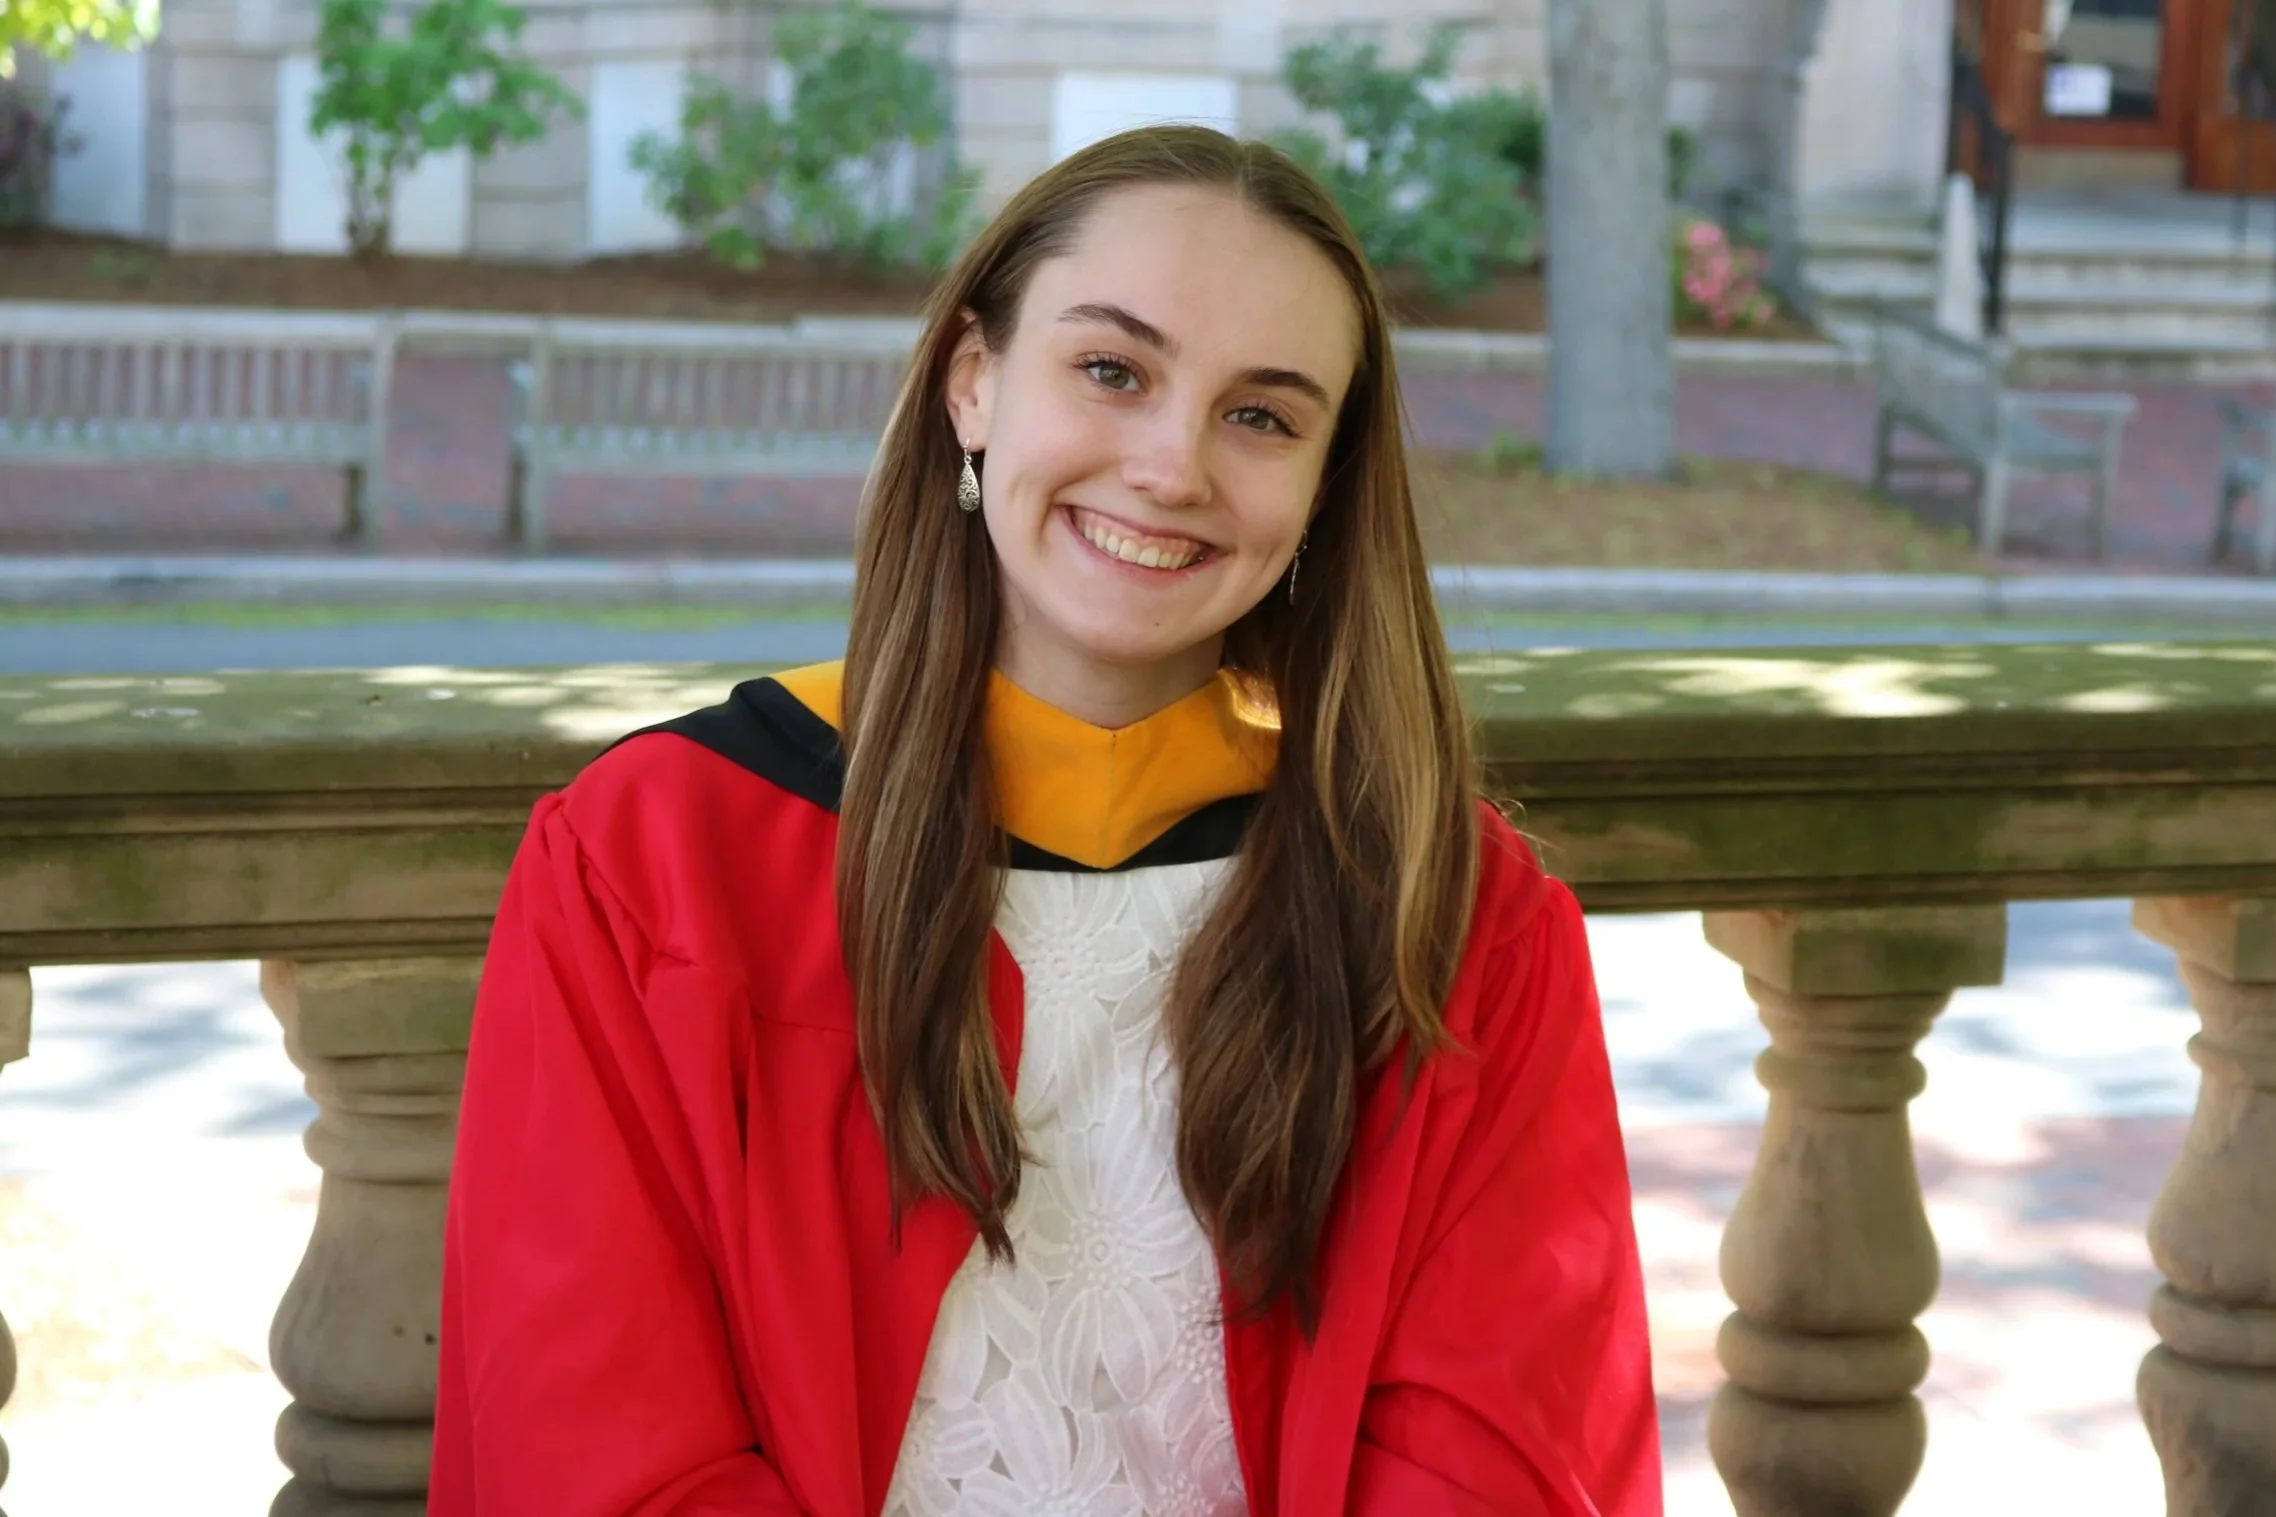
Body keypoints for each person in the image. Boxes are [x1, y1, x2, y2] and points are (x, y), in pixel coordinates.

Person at [430, 124, 1660, 1517]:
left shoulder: (1455, 918)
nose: (1173, 466)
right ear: (973, 383)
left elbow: (1493, 1460)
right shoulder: (656, 863)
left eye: (1262, 414)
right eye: (1112, 371)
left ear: (1324, 481)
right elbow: (598, 1442)